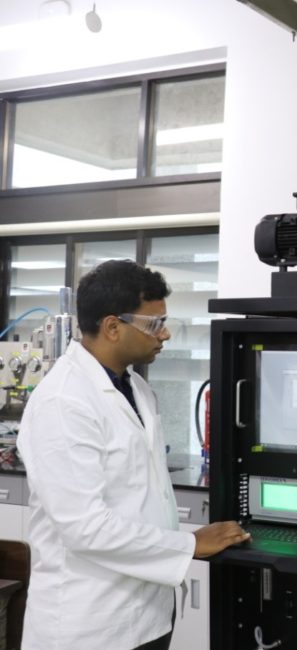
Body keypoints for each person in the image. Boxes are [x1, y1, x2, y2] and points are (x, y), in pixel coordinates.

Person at [16, 260, 250, 650]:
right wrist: (190, 545)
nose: (166, 334)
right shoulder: (63, 401)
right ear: (112, 326)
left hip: (148, 613)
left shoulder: (137, 389)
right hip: (89, 624)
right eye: (154, 324)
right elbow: (85, 527)